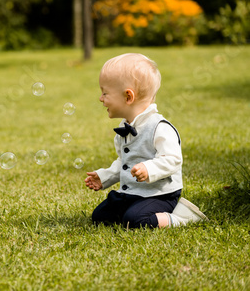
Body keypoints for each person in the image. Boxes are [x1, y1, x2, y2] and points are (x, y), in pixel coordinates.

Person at [85, 53, 207, 228]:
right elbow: (125, 162)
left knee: (135, 220)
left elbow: (173, 160)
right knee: (101, 216)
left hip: (159, 194)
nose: (101, 98)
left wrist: (149, 168)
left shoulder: (160, 128)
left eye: (105, 93)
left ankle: (183, 218)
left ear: (128, 97)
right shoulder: (124, 128)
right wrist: (104, 177)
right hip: (134, 192)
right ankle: (133, 209)